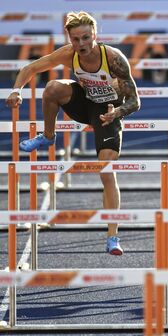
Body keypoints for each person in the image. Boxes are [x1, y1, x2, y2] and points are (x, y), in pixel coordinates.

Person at [5, 11, 141, 255]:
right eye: (75, 39)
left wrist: (117, 112)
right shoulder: (68, 54)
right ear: (69, 39)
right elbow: (31, 67)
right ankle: (48, 136)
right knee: (53, 87)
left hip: (107, 111)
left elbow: (135, 101)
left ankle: (112, 237)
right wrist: (16, 90)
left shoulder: (113, 58)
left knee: (107, 169)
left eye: (85, 38)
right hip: (83, 103)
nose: (81, 45)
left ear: (95, 36)